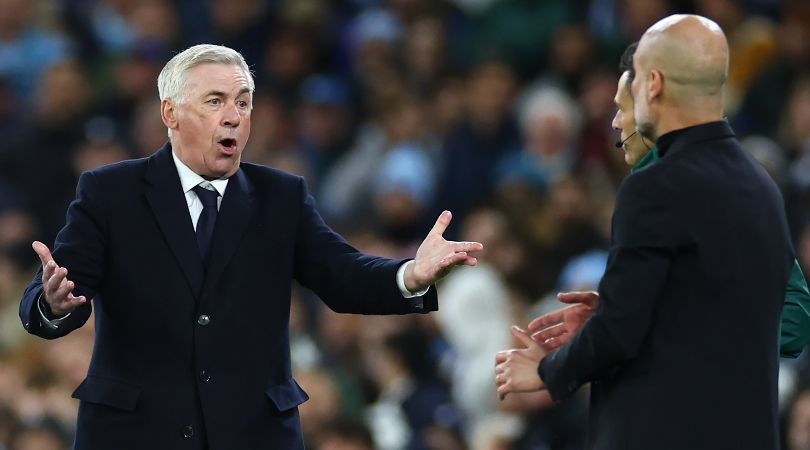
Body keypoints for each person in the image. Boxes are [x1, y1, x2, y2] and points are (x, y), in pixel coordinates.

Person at [19, 44, 483, 450]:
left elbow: (342, 276)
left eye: (243, 102)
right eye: (215, 101)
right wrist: (54, 302)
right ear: (170, 113)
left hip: (252, 433)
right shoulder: (109, 193)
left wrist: (409, 275)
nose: (233, 116)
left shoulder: (282, 197)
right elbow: (63, 288)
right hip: (134, 433)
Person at [495, 15, 794, 450]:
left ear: (652, 84)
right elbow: (732, 313)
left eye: (630, 90)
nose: (619, 116)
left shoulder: (654, 186)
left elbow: (619, 333)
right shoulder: (762, 185)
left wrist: (547, 369)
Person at [532, 43, 810, 359]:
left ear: (655, 101)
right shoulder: (662, 184)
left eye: (623, 109)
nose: (615, 123)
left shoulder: (710, 187)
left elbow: (794, 322)